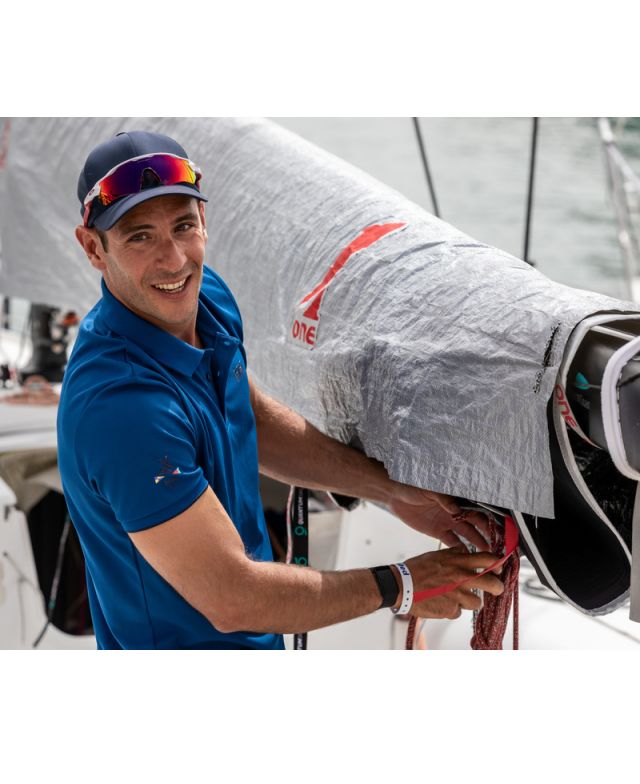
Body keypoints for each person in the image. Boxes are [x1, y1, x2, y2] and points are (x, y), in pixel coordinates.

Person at [57, 130, 505, 650]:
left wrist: (392, 491)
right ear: (93, 247)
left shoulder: (206, 300)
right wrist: (403, 585)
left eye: (184, 226)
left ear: (204, 220)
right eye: (140, 237)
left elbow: (251, 418)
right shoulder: (122, 410)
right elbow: (234, 599)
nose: (175, 260)